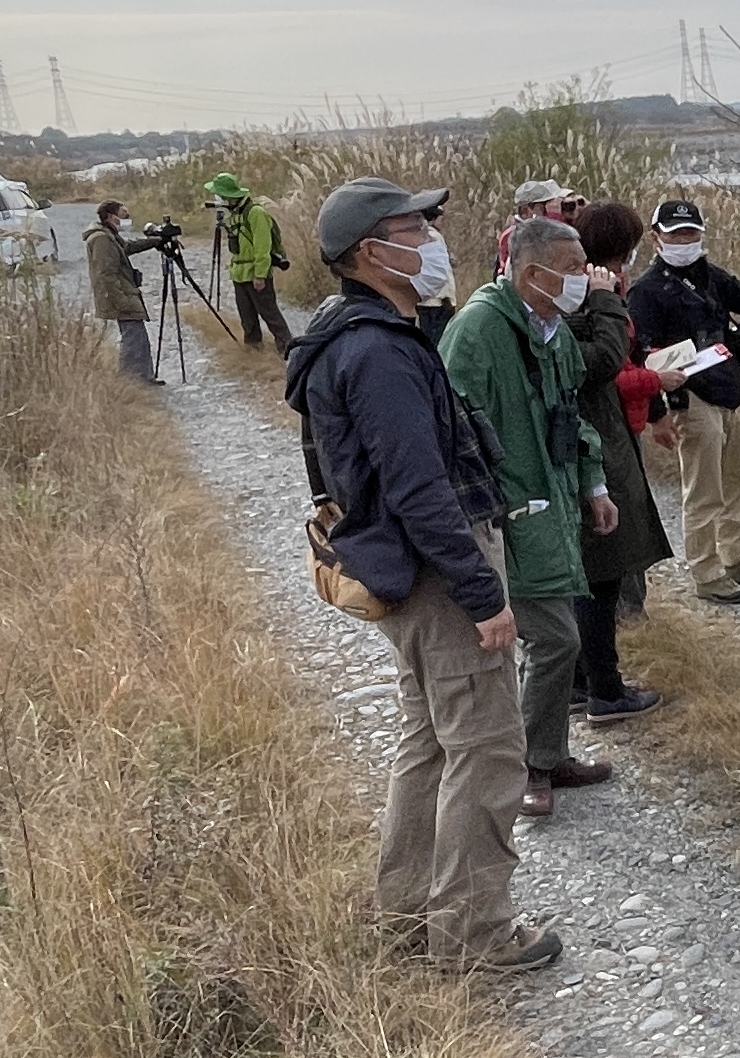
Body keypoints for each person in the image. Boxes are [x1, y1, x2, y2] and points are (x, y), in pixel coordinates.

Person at [283, 180, 559, 974]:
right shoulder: (377, 354)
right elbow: (417, 486)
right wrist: (485, 595)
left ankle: (406, 916)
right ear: (373, 252)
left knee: (429, 742)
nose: (434, 237)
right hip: (440, 572)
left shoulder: (353, 332)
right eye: (417, 227)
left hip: (407, 569)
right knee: (487, 748)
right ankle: (473, 934)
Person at [442, 212, 621, 821]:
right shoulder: (478, 331)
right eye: (573, 271)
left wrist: (593, 482)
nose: (584, 281)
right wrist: (486, 516)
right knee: (553, 638)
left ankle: (549, 751)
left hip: (554, 503)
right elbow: (455, 432)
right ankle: (530, 768)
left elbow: (570, 413)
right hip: (507, 512)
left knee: (553, 634)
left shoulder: (551, 328)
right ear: (532, 271)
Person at [629, 194, 740, 601]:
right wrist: (656, 414)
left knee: (736, 480)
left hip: (729, 392)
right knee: (703, 490)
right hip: (690, 396)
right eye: (676, 233)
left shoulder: (707, 274)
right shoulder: (646, 292)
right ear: (656, 239)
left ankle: (739, 556)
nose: (685, 240)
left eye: (692, 233)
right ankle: (706, 572)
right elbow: (640, 359)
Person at [567, 202, 674, 725]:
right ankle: (604, 688)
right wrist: (607, 303)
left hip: (604, 434)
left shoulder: (574, 293)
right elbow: (603, 364)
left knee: (590, 571)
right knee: (601, 572)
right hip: (598, 442)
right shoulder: (589, 298)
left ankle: (578, 679)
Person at [202, 172, 293, 348]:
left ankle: (287, 347)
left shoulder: (255, 213)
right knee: (247, 316)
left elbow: (262, 247)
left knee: (269, 313)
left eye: (221, 195)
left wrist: (260, 274)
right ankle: (253, 349)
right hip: (239, 273)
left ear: (229, 196)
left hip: (255, 273)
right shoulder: (234, 213)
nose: (218, 198)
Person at [83, 199, 158, 383]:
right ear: (111, 216)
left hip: (123, 292)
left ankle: (142, 377)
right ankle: (131, 380)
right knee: (133, 337)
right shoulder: (101, 239)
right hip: (120, 295)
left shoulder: (109, 235)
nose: (125, 218)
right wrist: (120, 299)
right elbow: (105, 274)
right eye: (123, 215)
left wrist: (155, 241)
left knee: (137, 336)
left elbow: (126, 248)